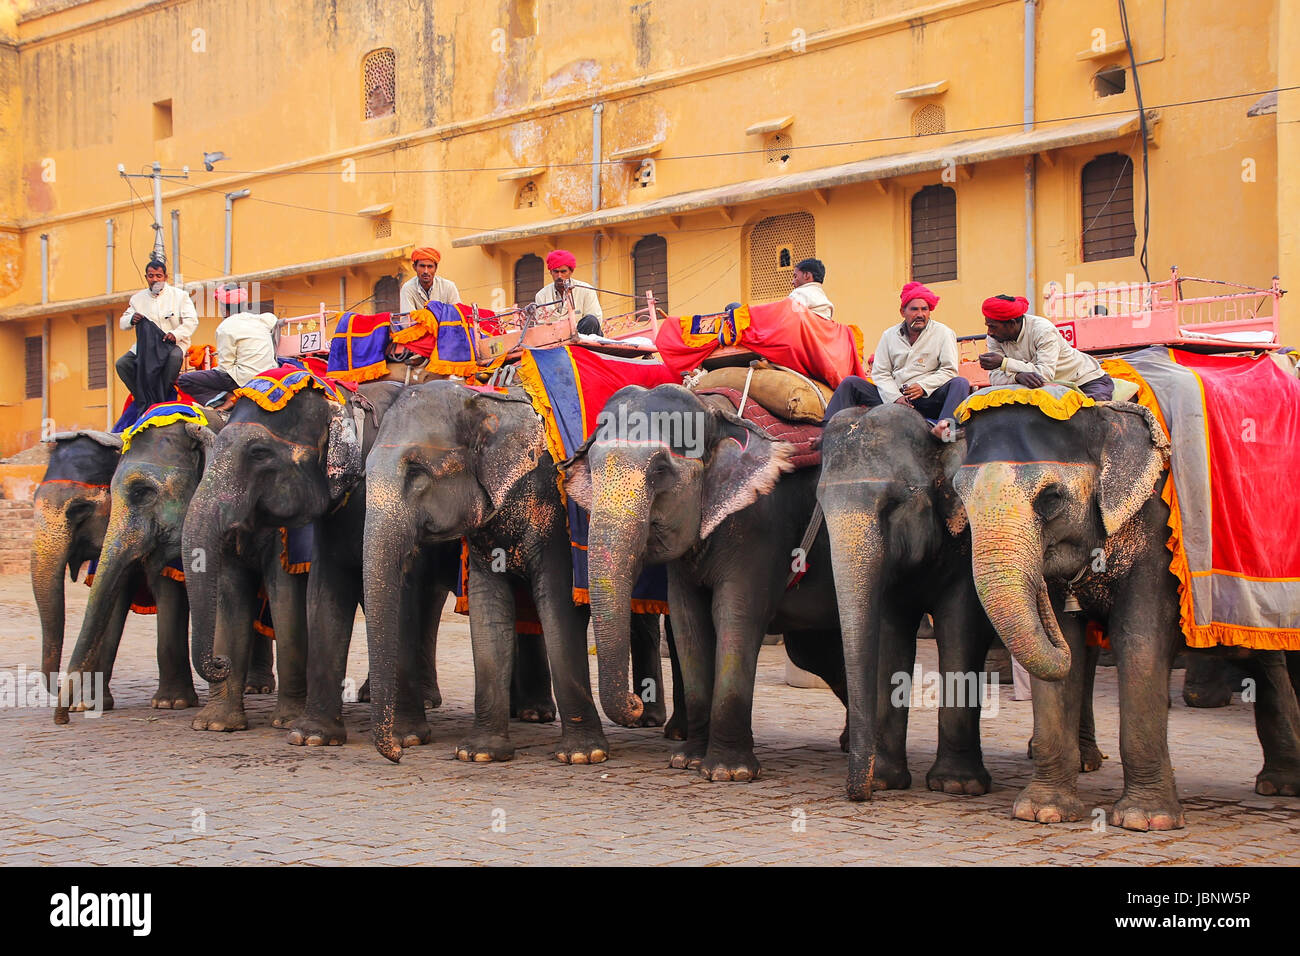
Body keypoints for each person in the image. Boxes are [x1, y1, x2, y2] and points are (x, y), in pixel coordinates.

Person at [822, 281, 970, 438]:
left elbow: (949, 370)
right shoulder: (889, 335)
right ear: (902, 311)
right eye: (914, 309)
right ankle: (826, 434)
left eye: (924, 309)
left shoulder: (944, 333)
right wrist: (895, 397)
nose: (920, 314)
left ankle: (945, 429)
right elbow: (881, 372)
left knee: (960, 383)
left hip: (927, 398)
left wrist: (922, 386)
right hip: (893, 398)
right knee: (850, 383)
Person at [978, 294, 1115, 400]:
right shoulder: (994, 337)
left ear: (1012, 323)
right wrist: (1017, 377)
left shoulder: (1043, 330)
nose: (989, 332)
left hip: (1085, 382)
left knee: (1087, 419)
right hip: (1047, 389)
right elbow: (995, 377)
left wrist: (1004, 363)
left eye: (993, 326)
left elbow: (1044, 374)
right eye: (987, 326)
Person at [177, 284, 279, 410]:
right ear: (244, 304)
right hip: (269, 374)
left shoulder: (225, 327)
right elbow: (273, 319)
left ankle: (227, 399)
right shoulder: (261, 319)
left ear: (223, 308)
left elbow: (225, 368)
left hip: (243, 379)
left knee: (184, 380)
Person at [116, 258, 198, 405]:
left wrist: (175, 334)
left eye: (158, 276)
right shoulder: (137, 299)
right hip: (147, 348)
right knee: (122, 364)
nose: (155, 279)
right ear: (146, 277)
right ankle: (143, 399)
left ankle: (162, 396)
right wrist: (131, 319)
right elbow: (123, 323)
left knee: (174, 357)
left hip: (173, 344)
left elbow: (192, 321)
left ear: (165, 278)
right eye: (151, 276)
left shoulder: (180, 296)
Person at [535, 249, 603, 333]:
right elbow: (540, 325)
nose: (559, 276)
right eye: (556, 272)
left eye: (563, 271)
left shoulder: (586, 290)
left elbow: (595, 321)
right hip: (554, 339)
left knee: (591, 320)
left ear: (571, 271)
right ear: (550, 272)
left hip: (583, 336)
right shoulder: (541, 295)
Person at [399, 247, 461, 313]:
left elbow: (457, 313)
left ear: (436, 268)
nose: (426, 271)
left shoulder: (448, 286)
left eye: (430, 266)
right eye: (422, 266)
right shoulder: (408, 288)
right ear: (414, 267)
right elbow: (408, 319)